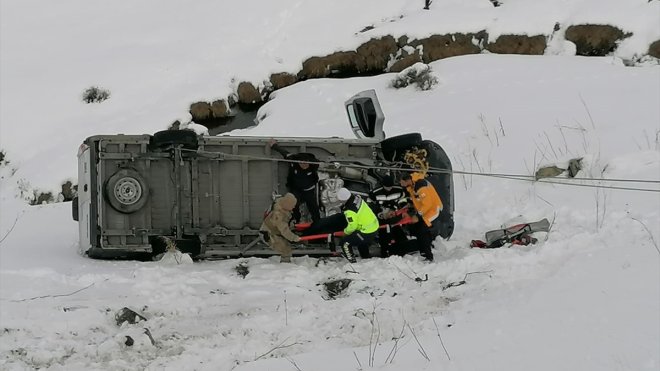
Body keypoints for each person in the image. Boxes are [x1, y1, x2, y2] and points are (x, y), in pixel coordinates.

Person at [269, 139, 321, 223]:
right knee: (293, 205)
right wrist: (274, 145)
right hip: (296, 190)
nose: (304, 165)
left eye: (306, 163)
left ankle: (318, 223)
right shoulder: (293, 161)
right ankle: (296, 221)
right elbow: (284, 152)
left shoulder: (314, 165)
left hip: (309, 190)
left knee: (314, 207)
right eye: (302, 163)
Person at [399, 172, 443, 262]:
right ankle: (423, 251)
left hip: (433, 210)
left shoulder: (421, 185)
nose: (400, 184)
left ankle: (428, 255)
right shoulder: (412, 186)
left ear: (407, 180)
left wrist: (418, 216)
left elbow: (427, 204)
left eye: (401, 182)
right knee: (418, 229)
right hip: (425, 211)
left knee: (423, 231)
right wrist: (409, 205)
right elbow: (416, 199)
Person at [368, 175, 409, 257]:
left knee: (400, 236)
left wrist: (397, 209)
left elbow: (405, 200)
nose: (389, 189)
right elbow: (370, 205)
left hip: (395, 217)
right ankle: (385, 253)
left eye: (390, 187)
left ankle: (401, 252)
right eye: (387, 187)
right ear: (383, 185)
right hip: (382, 218)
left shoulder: (399, 190)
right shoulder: (375, 192)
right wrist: (380, 213)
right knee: (384, 236)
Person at [336, 187, 379, 263]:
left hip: (367, 231)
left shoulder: (349, 210)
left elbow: (352, 226)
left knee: (345, 243)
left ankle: (352, 262)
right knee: (360, 240)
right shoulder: (357, 198)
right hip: (373, 226)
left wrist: (345, 232)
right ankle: (366, 258)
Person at [259, 193, 302, 263]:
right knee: (286, 249)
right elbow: (284, 230)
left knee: (286, 245)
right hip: (268, 235)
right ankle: (284, 267)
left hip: (274, 231)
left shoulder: (281, 204)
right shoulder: (278, 215)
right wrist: (295, 238)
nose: (294, 207)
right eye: (292, 205)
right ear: (287, 204)